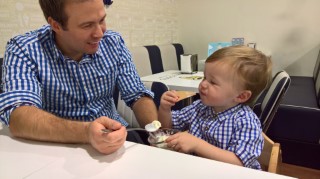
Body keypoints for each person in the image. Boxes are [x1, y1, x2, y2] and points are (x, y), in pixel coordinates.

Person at [0, 0, 157, 154]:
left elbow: (137, 95)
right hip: (56, 150)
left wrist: (157, 133)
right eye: (87, 25)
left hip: (116, 141)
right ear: (56, 25)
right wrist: (86, 132)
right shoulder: (24, 49)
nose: (100, 33)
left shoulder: (113, 42)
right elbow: (19, 115)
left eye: (102, 20)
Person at [158, 45, 272, 169]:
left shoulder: (246, 121)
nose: (203, 84)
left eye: (213, 82)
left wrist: (197, 145)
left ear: (241, 96)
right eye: (205, 77)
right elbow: (167, 127)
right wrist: (165, 109)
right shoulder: (199, 107)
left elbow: (239, 163)